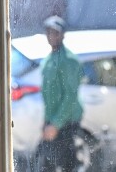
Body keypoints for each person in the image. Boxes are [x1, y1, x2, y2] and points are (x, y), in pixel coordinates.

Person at [36, 15, 84, 172]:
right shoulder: (49, 59)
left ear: (62, 34)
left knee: (66, 165)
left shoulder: (68, 60)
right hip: (52, 120)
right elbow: (48, 95)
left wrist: (56, 124)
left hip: (66, 121)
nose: (52, 36)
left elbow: (70, 96)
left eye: (56, 32)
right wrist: (47, 122)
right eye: (49, 32)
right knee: (47, 163)